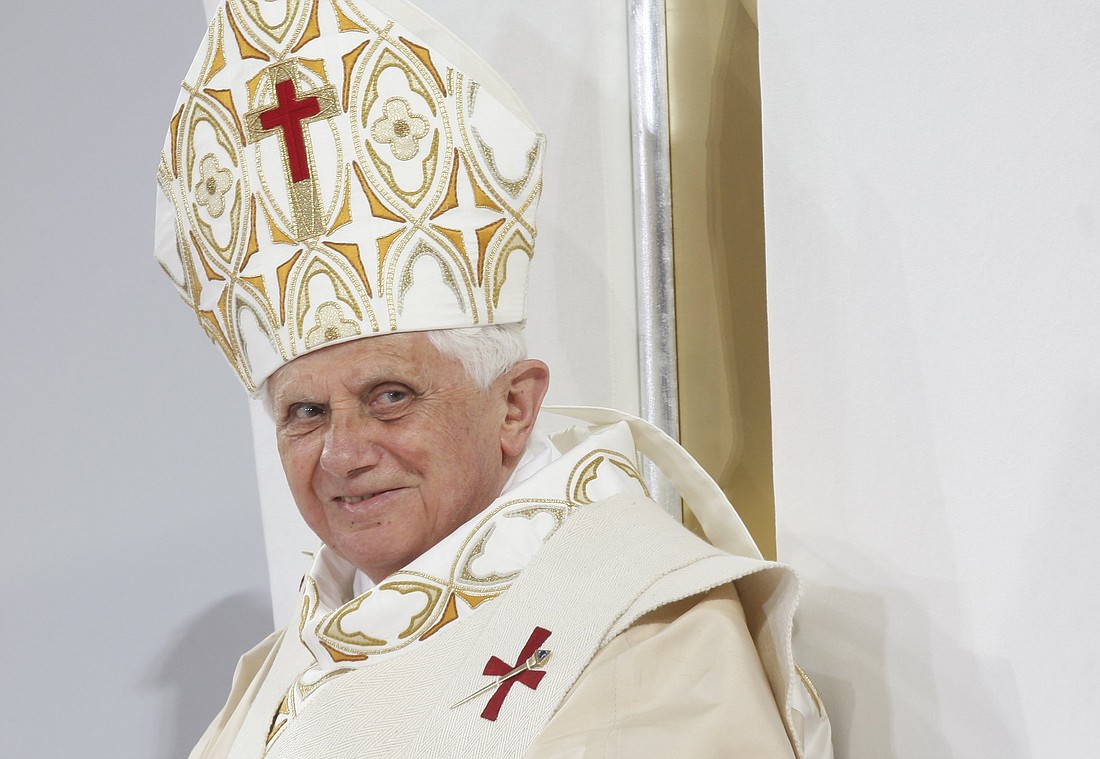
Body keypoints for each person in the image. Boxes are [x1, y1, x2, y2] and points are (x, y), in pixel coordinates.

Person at [154, 0, 833, 756]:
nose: (344, 454)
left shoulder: (650, 629)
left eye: (389, 397)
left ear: (515, 406)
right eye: (306, 412)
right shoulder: (285, 665)